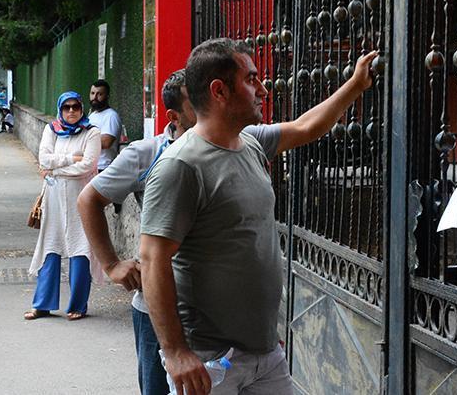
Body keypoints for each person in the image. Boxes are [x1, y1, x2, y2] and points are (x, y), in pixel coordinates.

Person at [139, 38, 377, 395]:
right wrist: (174, 352)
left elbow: (306, 127)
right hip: (210, 360)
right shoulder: (181, 166)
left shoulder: (249, 141)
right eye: (251, 79)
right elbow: (152, 258)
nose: (263, 89)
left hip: (265, 354)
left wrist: (356, 84)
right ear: (219, 91)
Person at [77, 69, 195, 395]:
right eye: (194, 102)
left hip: (211, 308)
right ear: (174, 116)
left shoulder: (230, 146)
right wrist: (112, 264)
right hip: (156, 305)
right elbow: (89, 200)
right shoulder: (148, 153)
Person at [25, 91, 102, 321]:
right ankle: (42, 305)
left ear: (81, 108)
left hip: (81, 198)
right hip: (54, 198)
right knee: (51, 246)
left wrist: (57, 169)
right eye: (66, 107)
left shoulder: (92, 132)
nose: (71, 111)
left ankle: (78, 305)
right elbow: (44, 159)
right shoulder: (52, 129)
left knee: (81, 247)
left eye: (75, 107)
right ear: (60, 109)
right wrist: (72, 159)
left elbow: (88, 166)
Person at [87, 79, 122, 173]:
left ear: (107, 96)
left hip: (104, 167)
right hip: (91, 166)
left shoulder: (111, 116)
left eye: (99, 94)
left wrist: (82, 140)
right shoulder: (92, 115)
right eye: (92, 93)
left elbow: (106, 142)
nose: (95, 97)